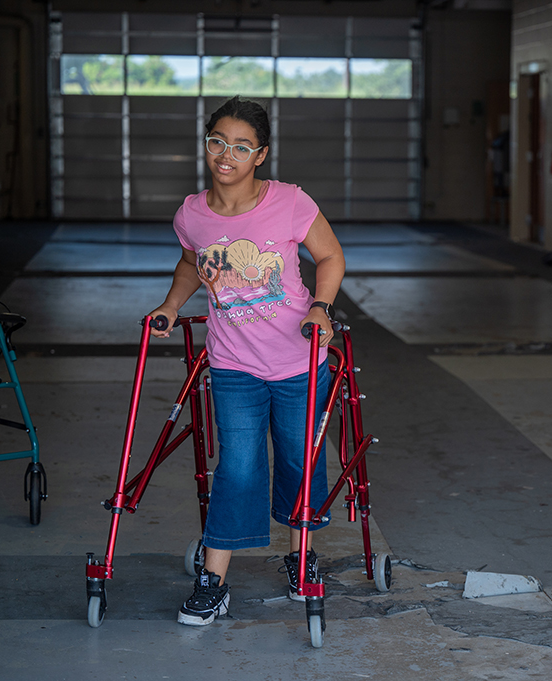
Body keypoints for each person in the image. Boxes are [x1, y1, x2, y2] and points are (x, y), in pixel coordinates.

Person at [148, 95, 346, 626]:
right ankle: (213, 580)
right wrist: (171, 304)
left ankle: (301, 558)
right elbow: (192, 263)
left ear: (261, 154)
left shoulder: (289, 202)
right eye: (217, 142)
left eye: (241, 146)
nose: (226, 154)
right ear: (206, 144)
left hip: (300, 361)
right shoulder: (192, 212)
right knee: (235, 468)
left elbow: (330, 256)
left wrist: (321, 309)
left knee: (299, 463)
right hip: (234, 365)